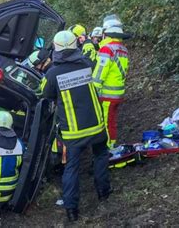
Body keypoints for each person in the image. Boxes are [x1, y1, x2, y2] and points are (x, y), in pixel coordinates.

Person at [41, 30, 111, 222]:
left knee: (72, 167)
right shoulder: (88, 64)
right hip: (96, 125)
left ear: (55, 48)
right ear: (75, 46)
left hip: (74, 132)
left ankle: (72, 210)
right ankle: (104, 192)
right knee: (101, 155)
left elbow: (45, 94)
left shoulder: (53, 73)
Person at [92, 15, 129, 148]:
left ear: (105, 32)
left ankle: (108, 149)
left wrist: (93, 91)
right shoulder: (123, 49)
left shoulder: (107, 49)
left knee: (106, 122)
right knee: (111, 121)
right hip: (118, 92)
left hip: (107, 94)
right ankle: (112, 145)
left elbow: (99, 74)